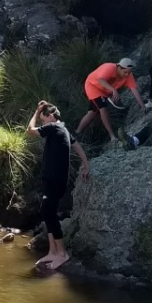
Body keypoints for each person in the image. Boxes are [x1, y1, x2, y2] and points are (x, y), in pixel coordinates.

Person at [26, 101, 90, 271]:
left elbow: (30, 131)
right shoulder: (64, 130)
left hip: (55, 180)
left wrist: (37, 110)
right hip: (52, 180)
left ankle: (62, 254)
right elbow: (77, 147)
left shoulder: (54, 127)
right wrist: (86, 165)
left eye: (43, 119)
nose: (42, 123)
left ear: (52, 116)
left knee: (49, 213)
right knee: (46, 212)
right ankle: (52, 251)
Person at [76, 58, 145, 142]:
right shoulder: (109, 68)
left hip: (105, 90)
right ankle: (112, 136)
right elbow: (101, 80)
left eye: (129, 72)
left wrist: (143, 106)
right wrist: (113, 90)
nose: (127, 75)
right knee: (103, 109)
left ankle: (77, 133)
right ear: (119, 67)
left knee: (92, 113)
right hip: (93, 86)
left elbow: (134, 90)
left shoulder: (128, 76)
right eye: (125, 72)